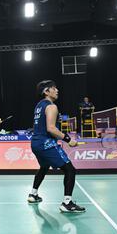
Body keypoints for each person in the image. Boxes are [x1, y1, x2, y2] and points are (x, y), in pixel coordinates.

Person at [28, 80, 85, 213]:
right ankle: (67, 203)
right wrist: (68, 139)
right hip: (46, 143)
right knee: (70, 170)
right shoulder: (52, 106)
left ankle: (33, 194)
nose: (57, 90)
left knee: (44, 167)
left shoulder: (39, 106)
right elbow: (51, 128)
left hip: (35, 143)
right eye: (54, 88)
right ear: (46, 92)